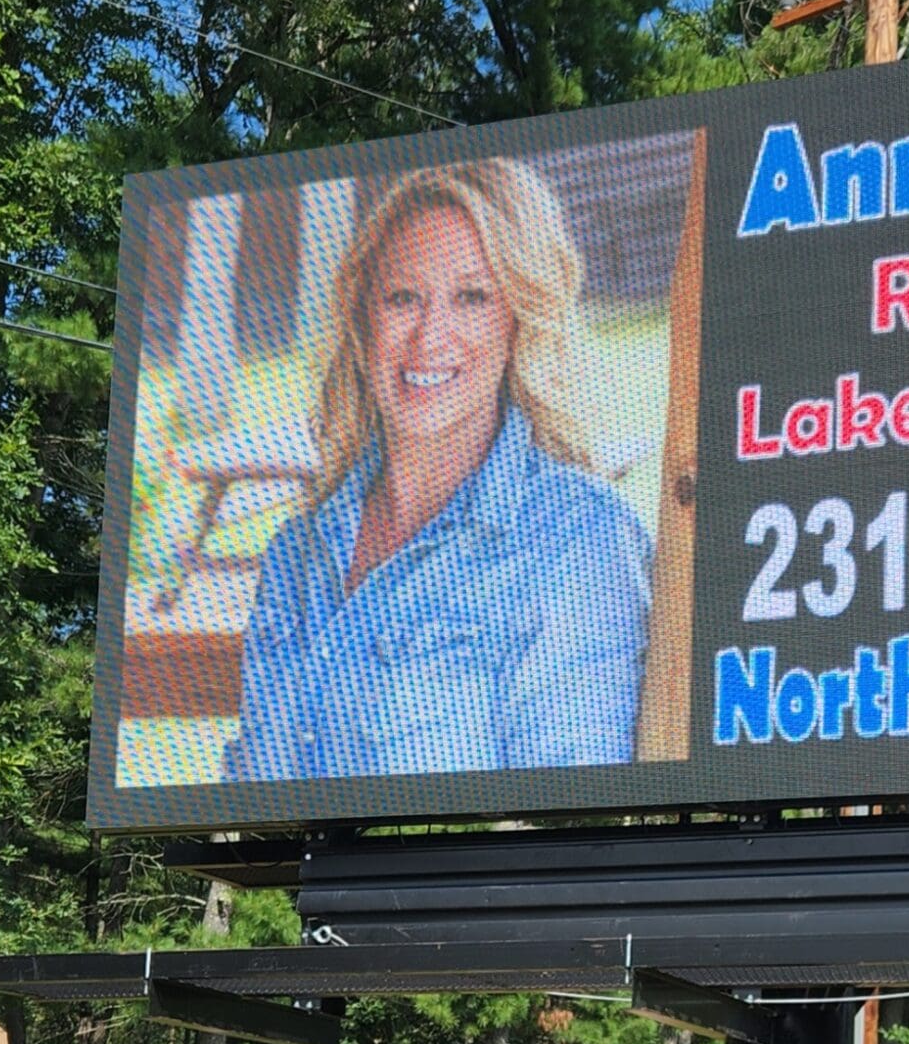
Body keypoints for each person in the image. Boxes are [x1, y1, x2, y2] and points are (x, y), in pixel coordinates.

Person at [225, 156, 651, 783]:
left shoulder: (579, 542)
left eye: (473, 297)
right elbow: (251, 805)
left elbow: (571, 829)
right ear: (363, 321)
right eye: (403, 297)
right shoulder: (297, 553)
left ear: (519, 319)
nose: (430, 337)